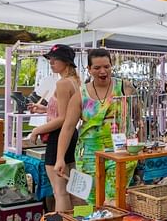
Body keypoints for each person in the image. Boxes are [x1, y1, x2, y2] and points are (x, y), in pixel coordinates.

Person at [56, 49, 140, 205]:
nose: (103, 71)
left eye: (107, 67)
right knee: (93, 201)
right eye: (97, 68)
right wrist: (60, 158)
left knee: (113, 199)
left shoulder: (125, 88)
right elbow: (68, 127)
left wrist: (138, 146)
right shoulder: (80, 95)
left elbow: (138, 119)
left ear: (111, 66)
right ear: (89, 69)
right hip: (88, 156)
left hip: (120, 153)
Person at [26, 44, 80, 211]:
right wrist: (44, 108)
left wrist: (36, 130)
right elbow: (66, 111)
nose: (51, 62)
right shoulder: (75, 81)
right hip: (71, 135)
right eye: (50, 59)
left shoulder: (63, 83)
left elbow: (63, 118)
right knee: (72, 188)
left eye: (55, 59)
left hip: (59, 136)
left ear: (67, 61)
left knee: (60, 191)